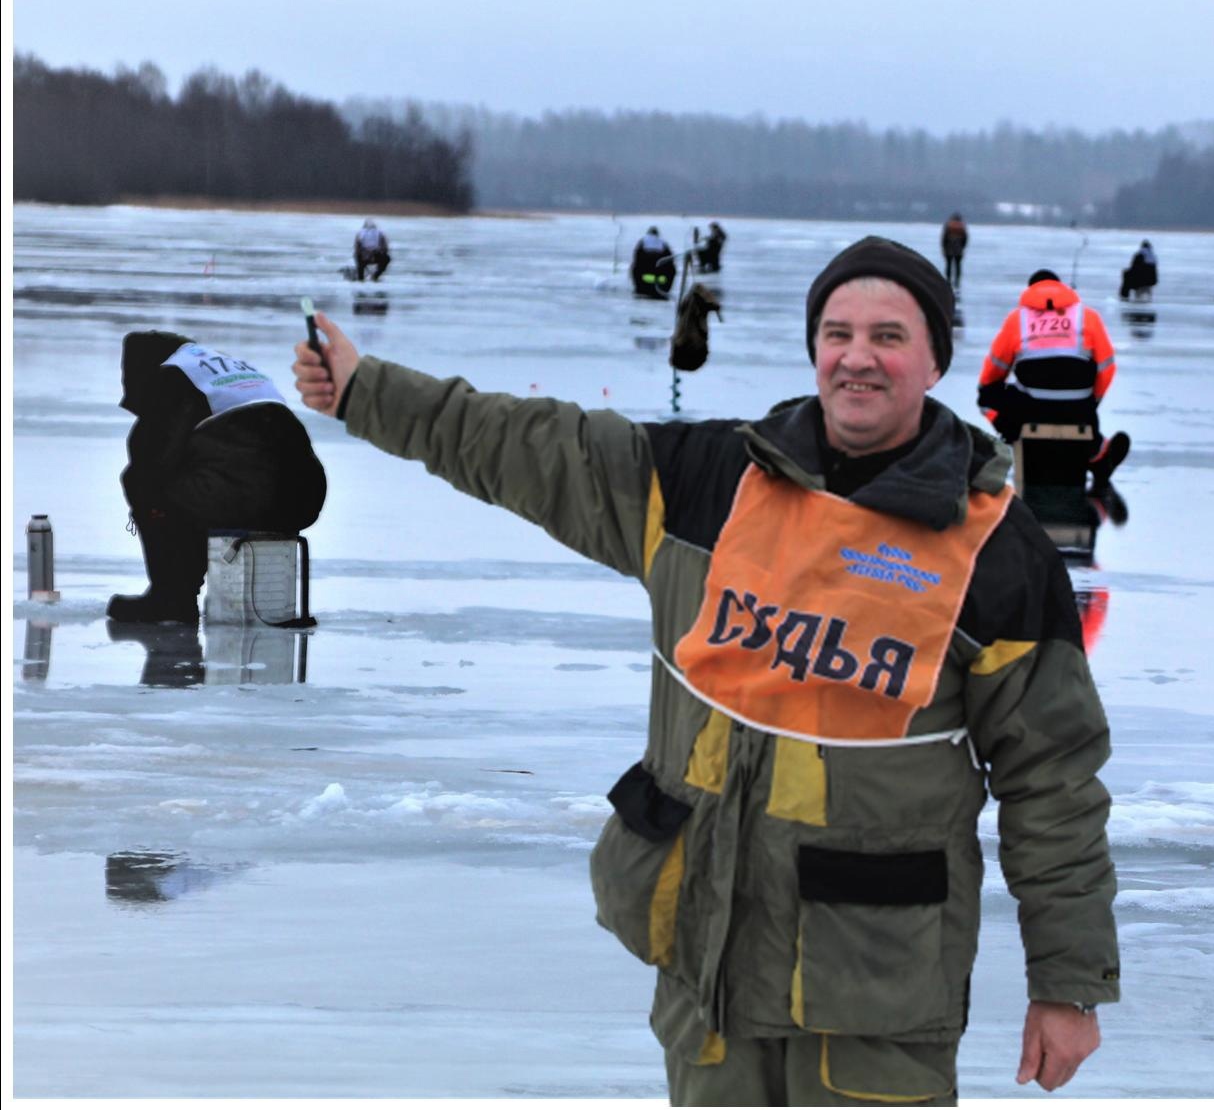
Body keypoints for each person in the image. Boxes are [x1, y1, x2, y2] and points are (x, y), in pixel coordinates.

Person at [291, 236, 1120, 1103]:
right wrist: (365, 391)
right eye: (837, 333)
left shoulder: (995, 550)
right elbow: (530, 447)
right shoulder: (710, 483)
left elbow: (1052, 783)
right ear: (813, 349)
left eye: (888, 336)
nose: (857, 358)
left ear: (935, 362)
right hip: (708, 968)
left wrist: (1067, 984)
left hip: (872, 991)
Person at [109, 330, 327, 625]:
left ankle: (171, 599)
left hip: (251, 498)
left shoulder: (171, 381)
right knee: (193, 484)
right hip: (304, 498)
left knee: (146, 485)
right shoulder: (221, 368)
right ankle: (181, 593)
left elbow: (151, 464)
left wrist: (154, 509)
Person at [978, 268, 1130, 487]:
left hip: (1031, 410)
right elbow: (1107, 368)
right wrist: (1091, 402)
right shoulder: (1088, 317)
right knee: (1079, 400)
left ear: (1030, 291)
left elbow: (992, 374)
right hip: (1079, 411)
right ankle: (1097, 452)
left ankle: (1013, 434)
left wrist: (1002, 415)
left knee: (987, 395)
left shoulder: (1017, 320)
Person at [632, 226, 676, 298]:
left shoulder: (643, 241)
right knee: (672, 270)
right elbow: (670, 258)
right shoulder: (663, 243)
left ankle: (639, 287)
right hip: (660, 271)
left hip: (645, 269)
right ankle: (666, 287)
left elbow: (636, 256)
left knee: (635, 268)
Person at [940, 212, 968, 290]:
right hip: (958, 249)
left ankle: (948, 280)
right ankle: (957, 281)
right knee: (958, 266)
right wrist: (962, 247)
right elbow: (965, 239)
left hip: (949, 248)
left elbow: (944, 238)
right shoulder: (962, 227)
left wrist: (944, 247)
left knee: (948, 265)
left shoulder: (948, 226)